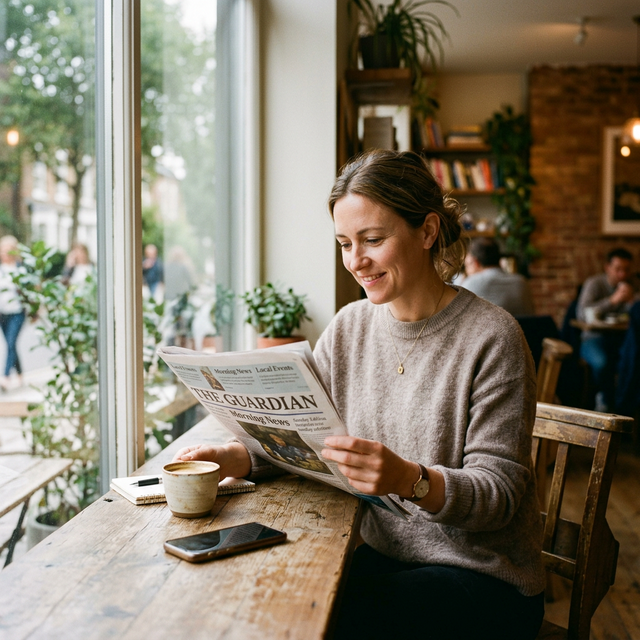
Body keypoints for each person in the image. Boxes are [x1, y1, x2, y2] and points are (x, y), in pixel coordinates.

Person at [172, 150, 545, 640]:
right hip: (387, 557)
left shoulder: (493, 337)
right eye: (345, 243)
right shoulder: (351, 326)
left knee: (315, 621)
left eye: (373, 240)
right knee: (266, 596)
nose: (356, 261)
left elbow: (498, 497)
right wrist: (240, 457)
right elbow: (312, 439)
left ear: (428, 231)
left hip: (482, 577)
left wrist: (409, 479)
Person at [577, 247, 638, 411]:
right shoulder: (594, 284)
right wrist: (612, 300)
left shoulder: (632, 286)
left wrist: (632, 301)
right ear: (607, 267)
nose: (622, 275)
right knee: (602, 363)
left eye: (626, 270)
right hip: (593, 338)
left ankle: (624, 405)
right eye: (618, 269)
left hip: (621, 339)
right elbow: (582, 313)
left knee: (632, 363)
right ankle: (605, 398)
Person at [460, 236, 534, 316]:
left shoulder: (470, 284)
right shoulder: (521, 282)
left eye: (467, 265)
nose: (466, 270)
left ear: (475, 262)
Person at [0, 235, 26, 390]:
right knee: (11, 345)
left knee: (10, 342)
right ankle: (20, 374)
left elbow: (30, 291)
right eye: (3, 250)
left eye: (9, 250)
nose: (5, 253)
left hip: (17, 312)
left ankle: (5, 377)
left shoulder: (21, 269)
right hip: (2, 312)